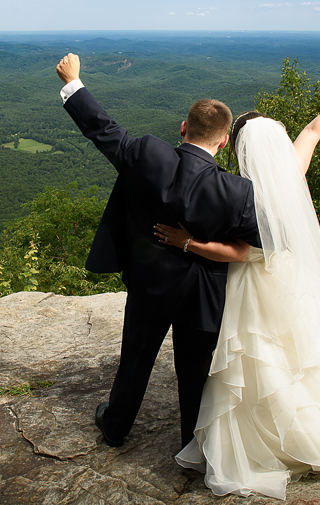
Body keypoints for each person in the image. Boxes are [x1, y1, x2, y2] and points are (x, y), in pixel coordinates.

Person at [154, 87, 320, 500]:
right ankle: (304, 421)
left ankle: (263, 437)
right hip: (289, 283)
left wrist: (186, 242)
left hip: (252, 287)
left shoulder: (242, 194)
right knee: (296, 358)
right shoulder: (289, 174)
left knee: (254, 358)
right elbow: (315, 129)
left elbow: (236, 252)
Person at [55, 53, 262, 449]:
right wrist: (196, 245)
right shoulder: (237, 192)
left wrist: (73, 82)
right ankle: (194, 449)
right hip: (202, 296)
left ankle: (115, 425)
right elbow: (258, 246)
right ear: (223, 141)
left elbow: (103, 130)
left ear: (183, 128)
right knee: (196, 377)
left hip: (149, 285)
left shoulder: (149, 155)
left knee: (134, 360)